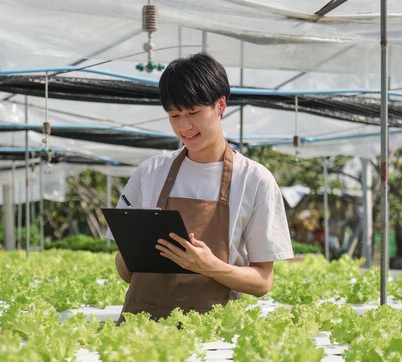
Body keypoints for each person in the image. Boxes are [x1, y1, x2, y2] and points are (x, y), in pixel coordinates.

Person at [113, 53, 293, 321]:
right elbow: (125, 272)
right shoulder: (150, 172)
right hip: (141, 331)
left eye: (193, 113)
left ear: (220, 105)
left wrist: (210, 266)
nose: (184, 126)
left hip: (209, 338)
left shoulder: (254, 180)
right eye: (174, 115)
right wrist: (134, 254)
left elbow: (262, 282)